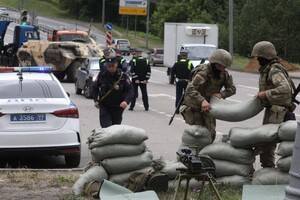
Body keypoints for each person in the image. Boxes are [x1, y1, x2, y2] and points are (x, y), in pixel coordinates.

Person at [251, 41, 295, 168]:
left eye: (259, 57)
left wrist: (266, 94)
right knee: (267, 142)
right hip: (274, 110)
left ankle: (269, 168)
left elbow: (285, 89)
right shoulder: (269, 69)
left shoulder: (274, 69)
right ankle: (268, 170)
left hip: (278, 112)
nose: (257, 60)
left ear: (265, 57)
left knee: (268, 142)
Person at [180, 49, 236, 142]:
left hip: (209, 107)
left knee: (211, 133)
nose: (223, 69)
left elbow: (232, 89)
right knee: (198, 133)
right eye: (221, 66)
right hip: (195, 106)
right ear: (215, 63)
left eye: (224, 67)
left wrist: (221, 94)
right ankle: (195, 154)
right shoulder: (203, 72)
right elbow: (190, 89)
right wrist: (202, 101)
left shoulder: (224, 74)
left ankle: (205, 154)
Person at [92, 56, 134, 128]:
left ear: (116, 64)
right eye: (109, 66)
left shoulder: (122, 76)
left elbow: (130, 90)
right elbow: (94, 87)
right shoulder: (102, 75)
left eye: (112, 66)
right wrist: (96, 100)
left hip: (118, 107)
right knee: (105, 127)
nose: (111, 68)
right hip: (105, 106)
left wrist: (126, 101)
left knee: (115, 128)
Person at [171, 49, 194, 114]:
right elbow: (193, 72)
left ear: (180, 55)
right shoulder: (189, 63)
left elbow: (172, 72)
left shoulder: (177, 62)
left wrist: (173, 80)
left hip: (179, 82)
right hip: (187, 82)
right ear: (186, 55)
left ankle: (177, 110)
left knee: (178, 95)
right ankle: (186, 110)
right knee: (187, 96)